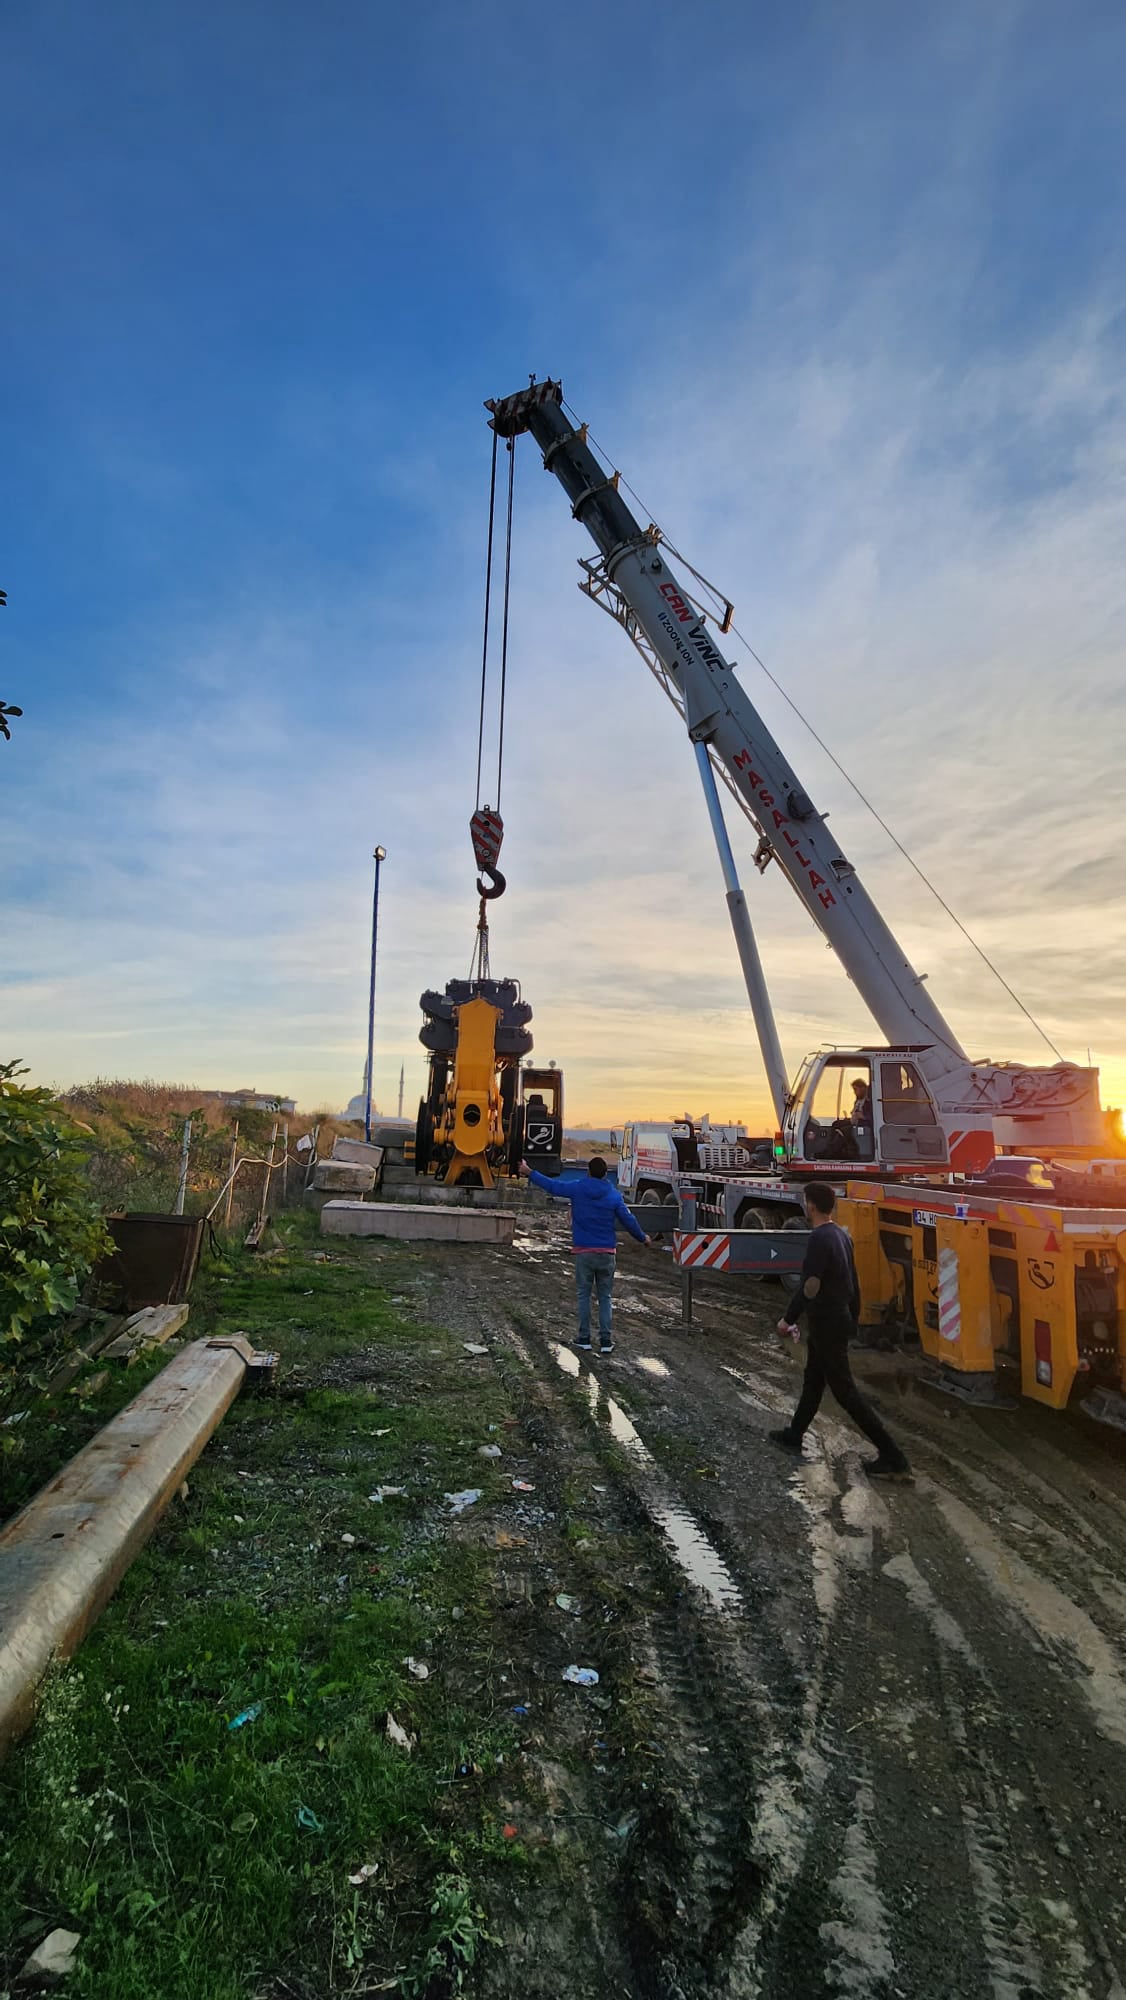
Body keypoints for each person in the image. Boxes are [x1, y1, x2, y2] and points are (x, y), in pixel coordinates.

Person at [770, 1180, 911, 1479]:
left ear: (810, 1205)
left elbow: (810, 1285)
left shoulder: (820, 1239)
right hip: (838, 1319)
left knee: (846, 1393)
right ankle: (794, 1434)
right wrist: (854, 1319)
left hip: (827, 1323)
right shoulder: (841, 1236)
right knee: (813, 1381)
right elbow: (853, 1282)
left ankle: (894, 1457)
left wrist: (789, 1319)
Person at [519, 1155, 652, 1354]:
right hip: (607, 1253)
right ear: (605, 1174)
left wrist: (529, 1172)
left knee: (584, 1296)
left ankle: (584, 1339)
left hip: (584, 1253)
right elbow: (629, 1220)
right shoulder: (614, 1196)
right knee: (605, 1297)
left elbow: (552, 1186)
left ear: (588, 1171)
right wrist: (643, 1238)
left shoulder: (577, 1188)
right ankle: (606, 1341)